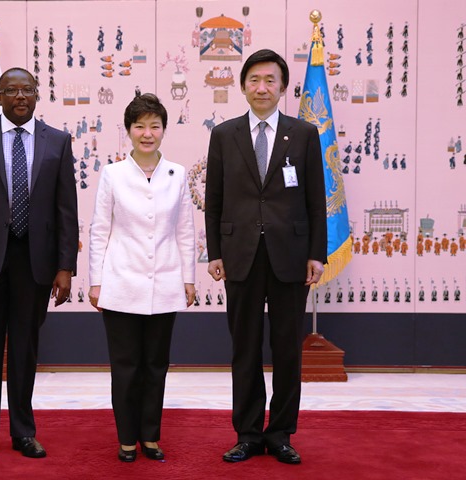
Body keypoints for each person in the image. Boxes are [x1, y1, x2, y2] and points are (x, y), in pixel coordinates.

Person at [0, 67, 79, 461]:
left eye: (27, 90)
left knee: (25, 350)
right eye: (11, 90)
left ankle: (24, 432)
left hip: (35, 261)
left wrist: (65, 267)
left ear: (37, 94)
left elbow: (66, 209)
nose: (20, 96)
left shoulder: (58, 141)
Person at [204, 49, 327, 465]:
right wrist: (215, 252)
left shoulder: (304, 134)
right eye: (254, 80)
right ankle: (248, 434)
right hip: (240, 254)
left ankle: (281, 434)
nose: (262, 87)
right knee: (245, 349)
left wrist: (316, 254)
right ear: (243, 86)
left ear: (283, 86)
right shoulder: (224, 135)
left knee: (287, 350)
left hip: (290, 255)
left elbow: (316, 201)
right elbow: (214, 200)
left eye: (270, 80)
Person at [88, 93, 196, 463]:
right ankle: (126, 439)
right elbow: (99, 230)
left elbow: (185, 230)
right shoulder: (113, 174)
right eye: (139, 126)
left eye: (154, 126)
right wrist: (96, 281)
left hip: (165, 282)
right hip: (120, 282)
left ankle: (150, 436)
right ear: (129, 131)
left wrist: (188, 278)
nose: (147, 133)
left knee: (156, 365)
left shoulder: (177, 174)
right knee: (126, 367)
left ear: (164, 130)